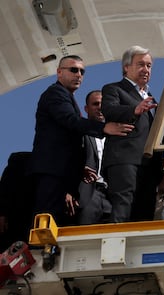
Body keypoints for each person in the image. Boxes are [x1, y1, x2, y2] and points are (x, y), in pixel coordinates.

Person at [29, 55, 134, 226]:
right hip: (52, 172)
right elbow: (70, 120)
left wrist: (79, 169)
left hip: (63, 174)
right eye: (73, 70)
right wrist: (104, 128)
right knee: (46, 221)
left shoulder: (67, 97)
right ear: (59, 72)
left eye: (82, 71)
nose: (78, 74)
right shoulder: (55, 93)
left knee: (55, 224)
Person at [101, 45, 164, 223]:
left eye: (149, 66)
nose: (145, 70)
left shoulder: (151, 98)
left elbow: (157, 134)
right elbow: (109, 110)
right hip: (124, 161)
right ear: (126, 67)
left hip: (150, 166)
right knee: (123, 209)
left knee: (145, 213)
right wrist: (135, 110)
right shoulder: (114, 89)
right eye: (140, 64)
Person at [77, 90, 112, 225]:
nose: (100, 107)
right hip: (87, 195)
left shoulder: (117, 136)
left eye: (103, 104)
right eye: (95, 104)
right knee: (83, 239)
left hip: (111, 196)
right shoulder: (80, 131)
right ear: (86, 109)